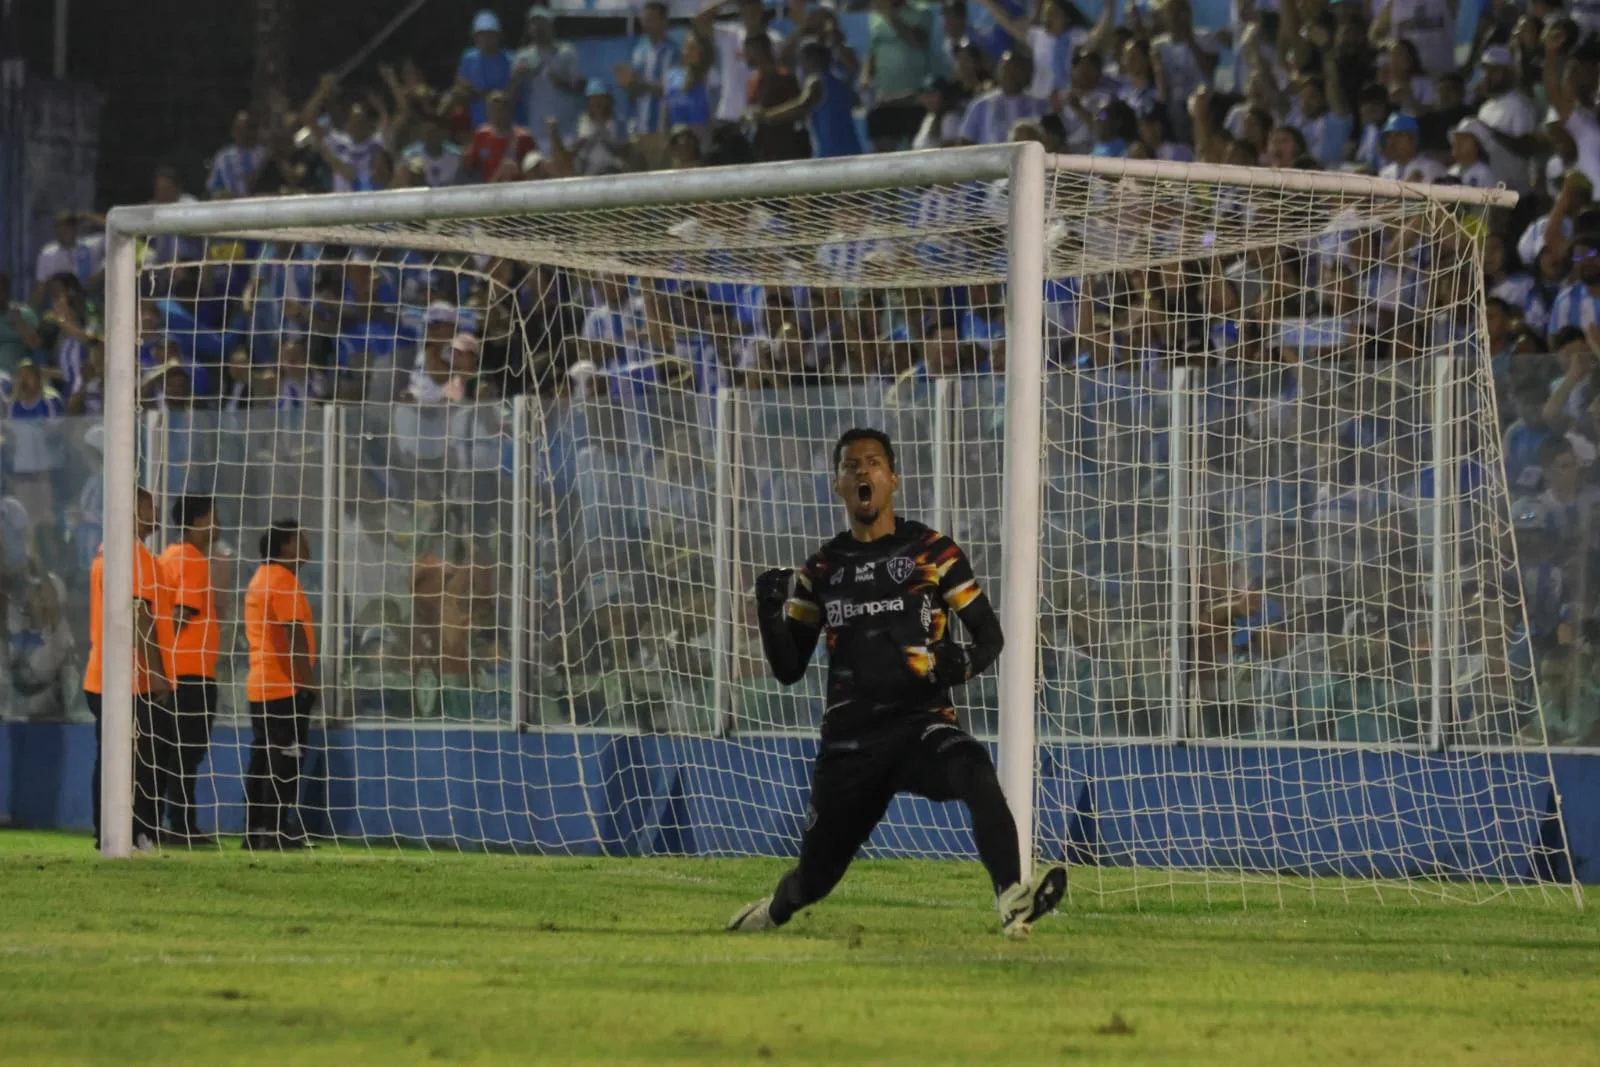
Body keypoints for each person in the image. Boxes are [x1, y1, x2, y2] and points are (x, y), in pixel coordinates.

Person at [728, 428, 1068, 940]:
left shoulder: (932, 551)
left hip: (920, 726)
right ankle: (772, 913)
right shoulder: (820, 569)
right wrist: (767, 612)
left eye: (873, 464)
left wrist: (966, 664)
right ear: (838, 486)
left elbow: (990, 636)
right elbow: (788, 669)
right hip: (849, 744)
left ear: (893, 479)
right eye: (851, 466)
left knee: (975, 771)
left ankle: (1011, 900)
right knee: (815, 879)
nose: (863, 472)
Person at [83, 488, 173, 851]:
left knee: (112, 757)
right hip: (131, 679)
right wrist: (156, 672)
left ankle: (106, 831)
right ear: (131, 511)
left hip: (101, 675)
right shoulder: (132, 558)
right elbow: (141, 617)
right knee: (147, 757)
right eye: (149, 506)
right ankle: (141, 832)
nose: (156, 513)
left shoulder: (106, 554)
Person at [242, 520, 318, 850]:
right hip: (284, 685)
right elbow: (294, 634)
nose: (307, 546)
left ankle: (256, 830)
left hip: (260, 684)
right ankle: (276, 829)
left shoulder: (259, 578)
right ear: (287, 546)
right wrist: (308, 682)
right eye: (301, 539)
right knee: (285, 759)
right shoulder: (283, 580)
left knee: (262, 758)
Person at [157, 495, 221, 846]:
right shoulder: (193, 560)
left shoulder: (167, 557)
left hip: (171, 671)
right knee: (186, 752)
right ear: (197, 522)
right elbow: (182, 614)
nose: (219, 524)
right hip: (190, 672)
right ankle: (183, 826)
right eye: (214, 517)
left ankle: (173, 822)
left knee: (170, 752)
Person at [754, 38, 864, 158]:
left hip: (830, 155)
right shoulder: (841, 82)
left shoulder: (815, 81)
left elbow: (802, 106)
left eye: (802, 59)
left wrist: (767, 116)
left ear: (811, 59)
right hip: (853, 150)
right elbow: (856, 102)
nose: (801, 64)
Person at [511, 5, 585, 153]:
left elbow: (580, 87)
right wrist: (518, 77)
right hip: (538, 132)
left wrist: (560, 81)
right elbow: (512, 95)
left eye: (542, 23)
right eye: (534, 24)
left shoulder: (567, 52)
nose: (538, 28)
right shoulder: (522, 57)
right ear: (529, 28)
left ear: (551, 25)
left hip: (567, 130)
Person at [457, 9, 513, 128]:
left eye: (490, 34)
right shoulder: (468, 58)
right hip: (478, 124)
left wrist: (479, 93)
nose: (485, 39)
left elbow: (510, 94)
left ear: (498, 36)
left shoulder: (510, 60)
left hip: (507, 125)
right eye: (481, 34)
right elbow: (462, 85)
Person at [206, 111, 264, 200]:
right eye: (240, 128)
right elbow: (213, 188)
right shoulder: (223, 157)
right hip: (232, 208)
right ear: (233, 131)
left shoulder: (264, 154)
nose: (244, 132)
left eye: (248, 128)